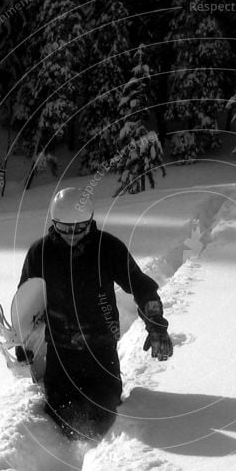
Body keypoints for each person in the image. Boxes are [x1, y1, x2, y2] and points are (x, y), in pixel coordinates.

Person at [18, 186, 173, 439]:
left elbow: (142, 287)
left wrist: (156, 325)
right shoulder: (40, 253)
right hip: (60, 349)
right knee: (58, 414)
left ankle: (100, 459)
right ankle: (66, 458)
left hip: (100, 348)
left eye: (79, 228)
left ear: (90, 221)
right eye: (64, 228)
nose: (72, 236)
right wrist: (24, 342)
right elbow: (27, 301)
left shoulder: (108, 248)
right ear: (53, 223)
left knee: (104, 412)